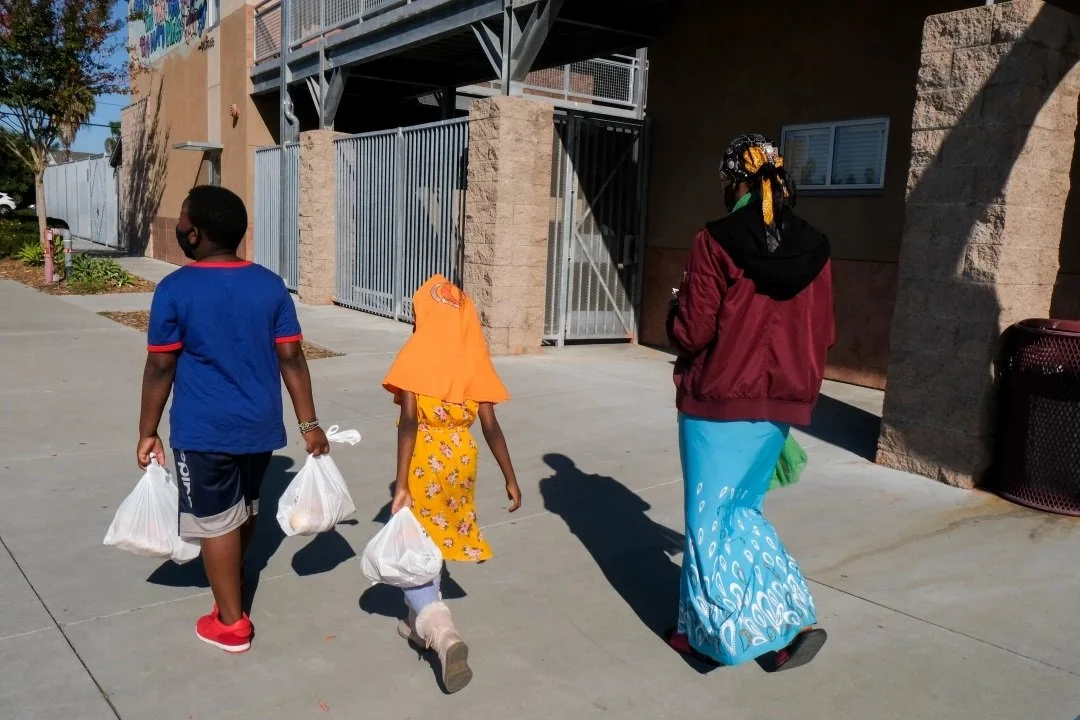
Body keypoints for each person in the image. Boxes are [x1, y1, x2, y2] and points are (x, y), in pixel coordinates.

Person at [666, 134, 835, 671]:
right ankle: (789, 621)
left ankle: (719, 635)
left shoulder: (714, 241)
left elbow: (692, 332)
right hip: (781, 406)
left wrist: (674, 307)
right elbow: (824, 331)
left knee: (710, 522)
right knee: (742, 513)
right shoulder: (816, 246)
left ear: (736, 182)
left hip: (719, 402)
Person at [137, 185, 330, 654]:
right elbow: (292, 359)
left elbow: (161, 366)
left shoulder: (175, 289)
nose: (180, 225)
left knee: (214, 519)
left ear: (196, 233)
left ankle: (230, 622)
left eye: (183, 218)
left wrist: (147, 430)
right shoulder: (269, 284)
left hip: (204, 430)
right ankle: (233, 579)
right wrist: (309, 425)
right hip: (260, 426)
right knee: (244, 506)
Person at [382, 274, 522, 694]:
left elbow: (409, 421)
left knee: (416, 545)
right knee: (436, 540)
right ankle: (414, 622)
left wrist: (402, 481)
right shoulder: (472, 357)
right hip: (462, 460)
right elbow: (491, 425)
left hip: (424, 457)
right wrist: (510, 478)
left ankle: (443, 636)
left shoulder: (415, 355)